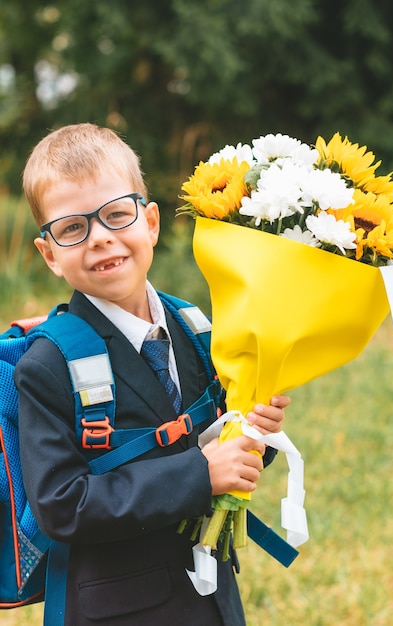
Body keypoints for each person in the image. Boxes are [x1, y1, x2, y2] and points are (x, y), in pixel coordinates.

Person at [15, 123, 291, 626]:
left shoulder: (200, 329)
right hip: (119, 611)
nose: (99, 238)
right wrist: (201, 474)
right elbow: (63, 506)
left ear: (152, 224)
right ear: (50, 254)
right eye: (72, 228)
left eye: (117, 215)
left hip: (212, 599)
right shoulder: (47, 366)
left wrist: (254, 431)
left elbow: (225, 445)